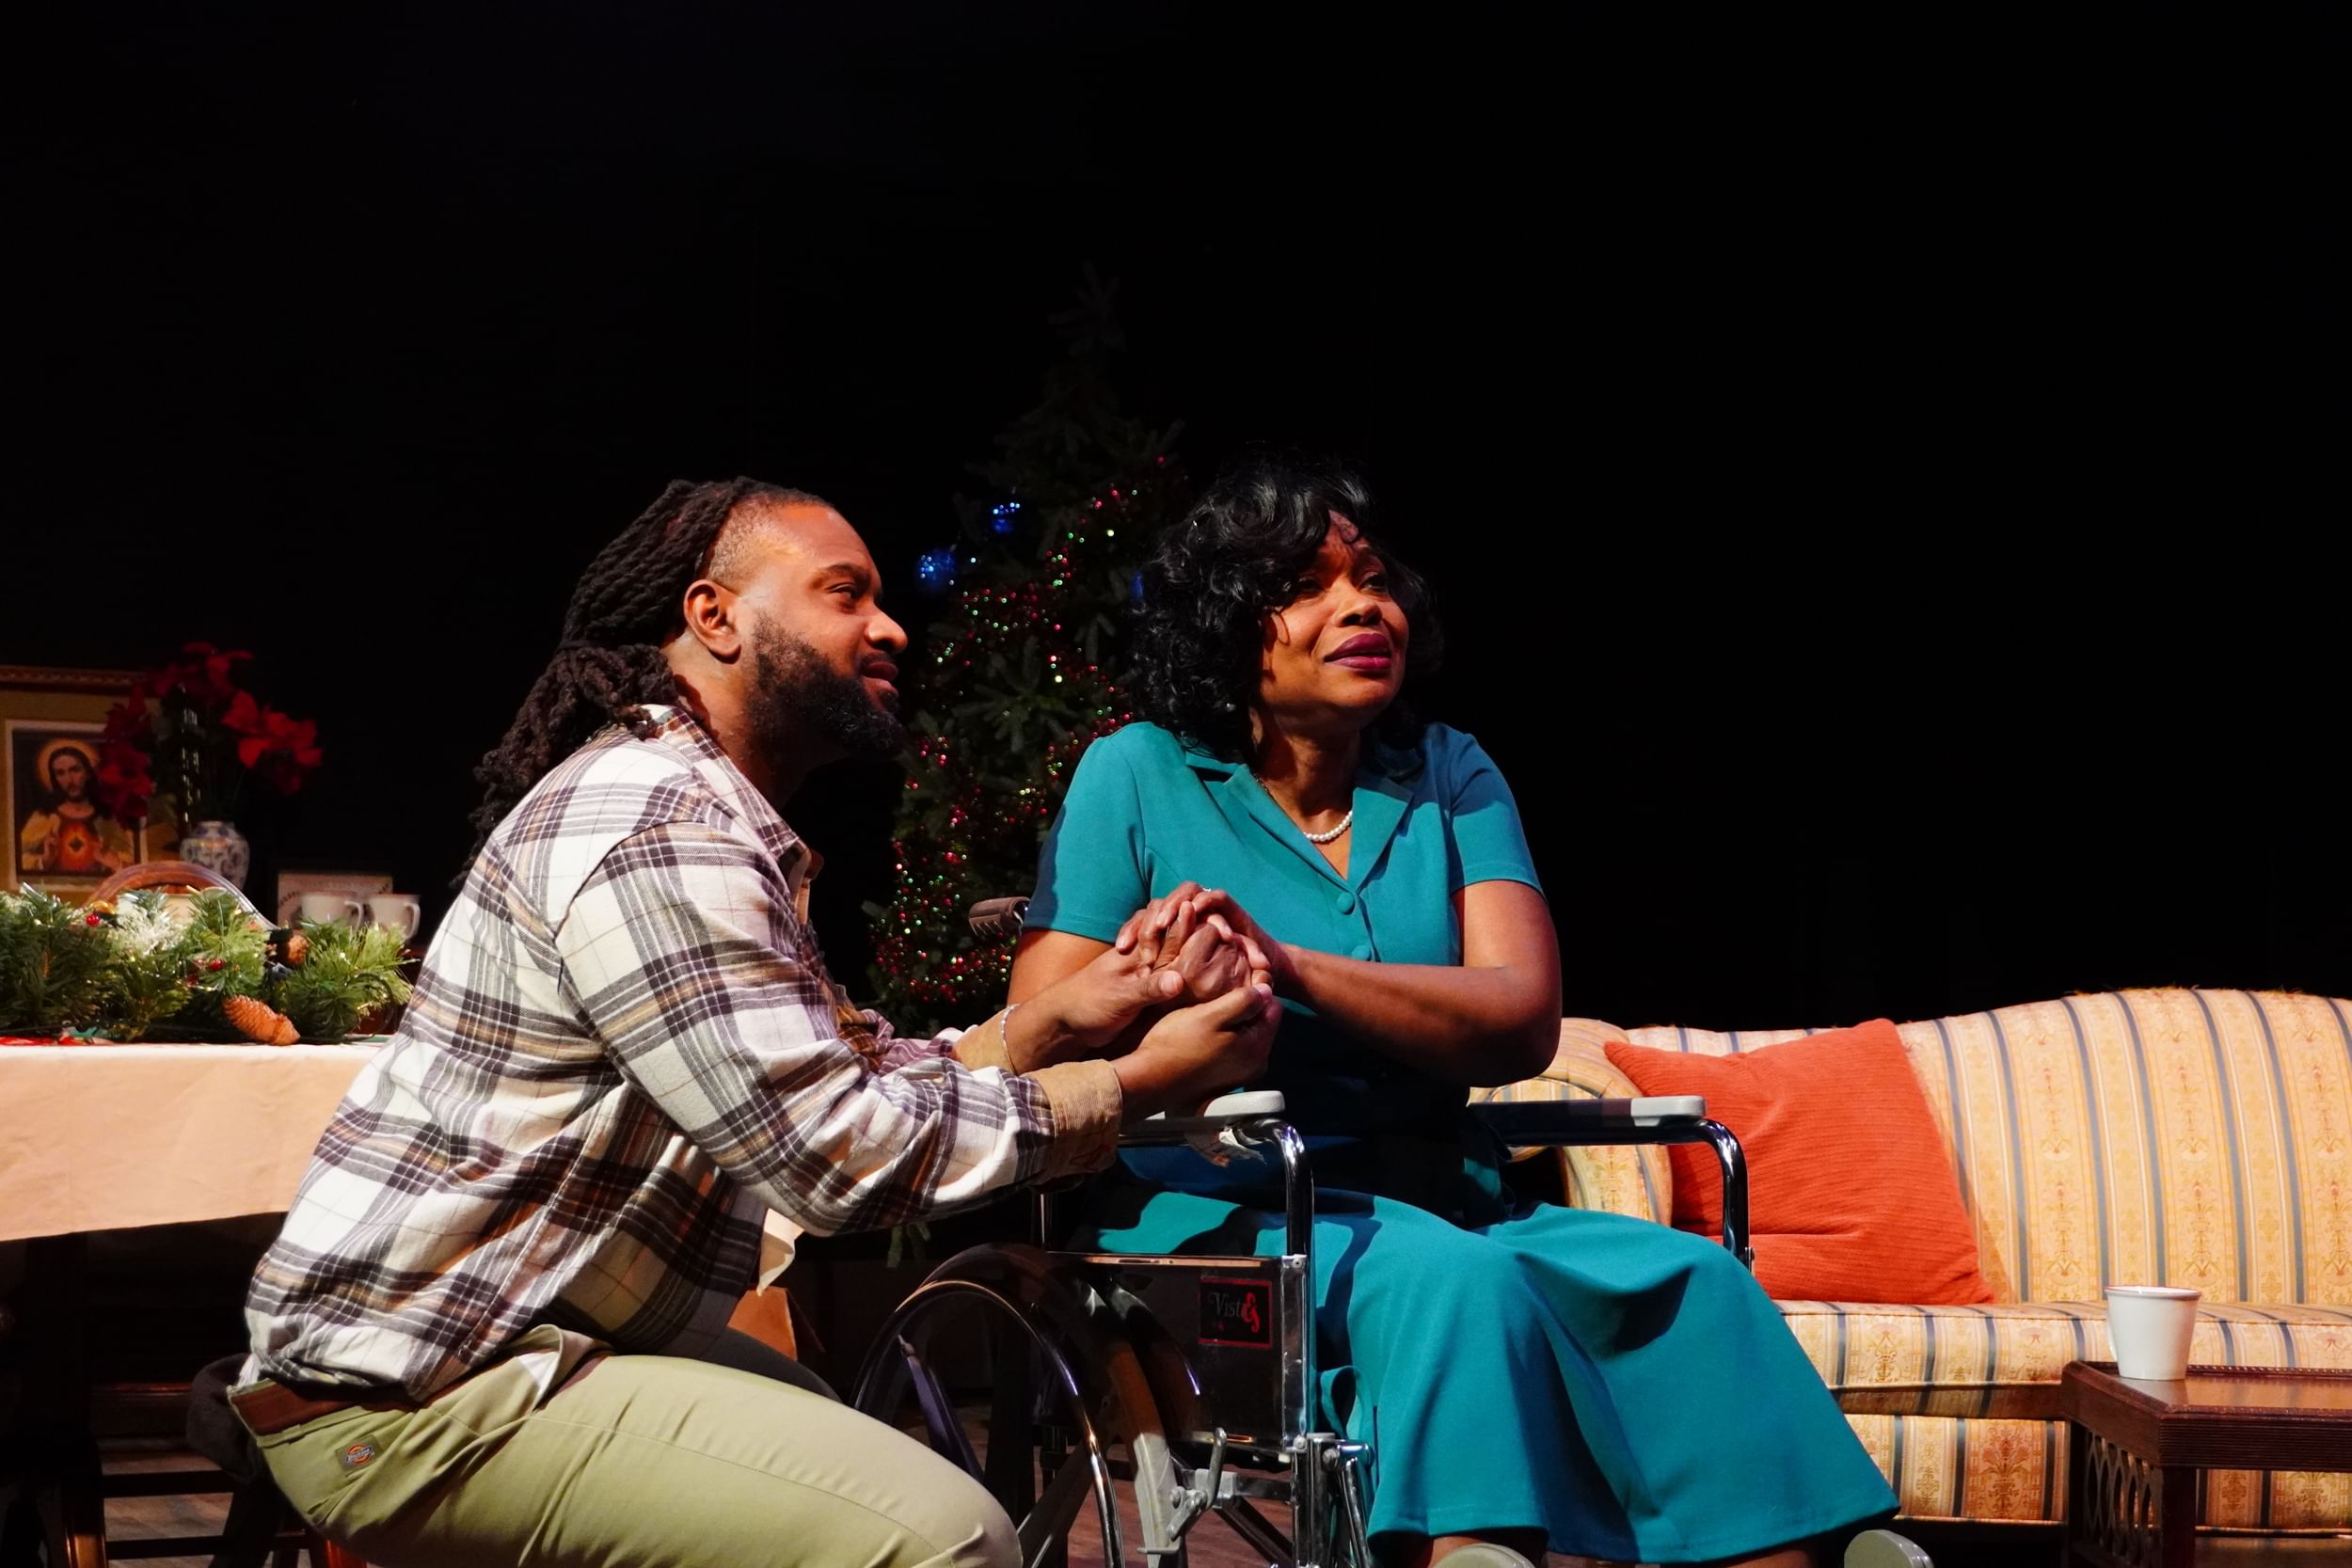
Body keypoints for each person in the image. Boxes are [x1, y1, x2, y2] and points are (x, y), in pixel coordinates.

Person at [235, 478, 1280, 1568]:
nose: (889, 624)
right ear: (713, 615)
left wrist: (1052, 1021)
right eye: (845, 593)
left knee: (873, 1460)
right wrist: (1139, 1082)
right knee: (945, 1536)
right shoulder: (655, 822)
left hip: (531, 1344)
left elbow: (847, 1072)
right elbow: (834, 1156)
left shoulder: (708, 814)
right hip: (425, 1390)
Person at [1009, 461, 1899, 1568]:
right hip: (1223, 1211)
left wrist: (1289, 965)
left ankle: (1808, 1545)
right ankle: (1474, 1545)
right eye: (1310, 585)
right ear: (1229, 625)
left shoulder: (1448, 772)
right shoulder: (1136, 773)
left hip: (1444, 1192)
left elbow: (1519, 1016)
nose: (1362, 607)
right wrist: (1156, 989)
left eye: (1372, 580)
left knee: (1692, 1283)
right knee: (1448, 1282)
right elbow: (1033, 1032)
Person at [17, 739, 134, 875]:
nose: (69, 779)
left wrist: (116, 863)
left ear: (88, 773)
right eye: (61, 773)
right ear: (55, 779)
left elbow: (134, 862)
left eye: (75, 770)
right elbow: (17, 859)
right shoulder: (44, 817)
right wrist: (45, 860)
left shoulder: (109, 820)